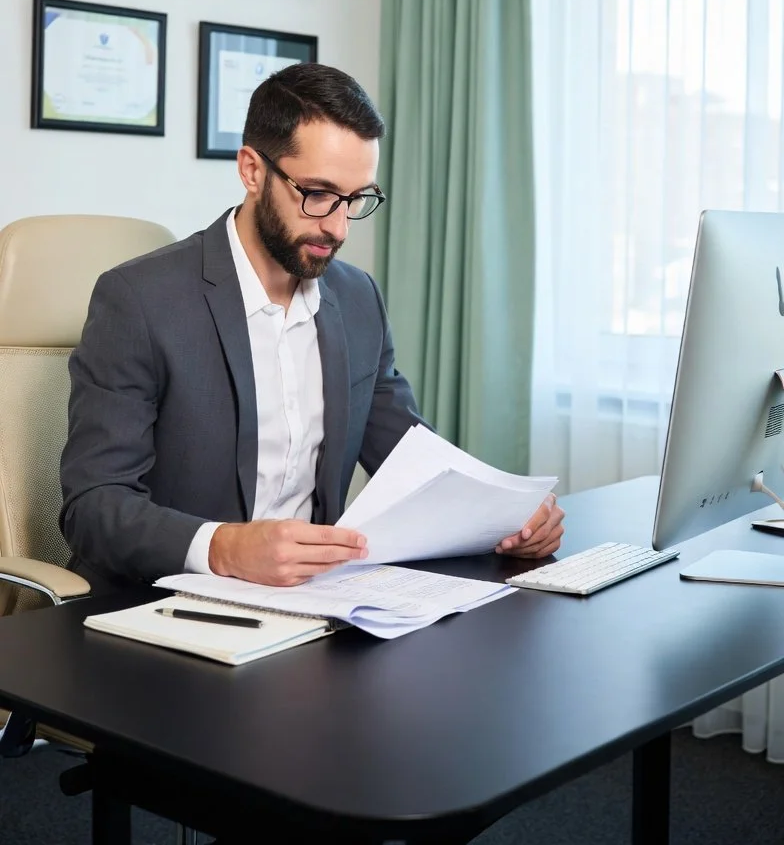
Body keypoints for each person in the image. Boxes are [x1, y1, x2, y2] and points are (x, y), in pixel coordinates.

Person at [60, 64, 564, 593]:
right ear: (253, 171)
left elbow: (414, 461)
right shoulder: (140, 300)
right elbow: (93, 506)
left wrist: (509, 518)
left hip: (311, 605)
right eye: (318, 194)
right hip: (158, 605)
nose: (338, 226)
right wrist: (226, 546)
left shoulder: (357, 297)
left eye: (356, 199)